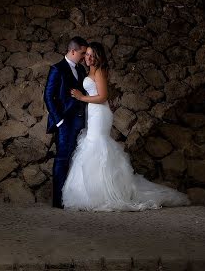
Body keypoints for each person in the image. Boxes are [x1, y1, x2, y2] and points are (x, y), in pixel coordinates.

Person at [62, 42, 190, 211]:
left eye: (92, 55)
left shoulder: (99, 71)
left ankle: (104, 193)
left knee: (97, 144)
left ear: (99, 57)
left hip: (100, 112)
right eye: (87, 54)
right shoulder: (90, 70)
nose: (88, 57)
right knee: (92, 144)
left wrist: (80, 97)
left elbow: (103, 97)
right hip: (93, 112)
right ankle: (90, 192)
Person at [43, 36, 89, 208]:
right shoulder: (57, 69)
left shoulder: (82, 70)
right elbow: (48, 96)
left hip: (81, 121)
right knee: (62, 158)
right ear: (72, 51)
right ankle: (58, 201)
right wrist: (59, 121)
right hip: (65, 122)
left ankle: (74, 199)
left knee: (78, 159)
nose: (84, 57)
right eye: (82, 53)